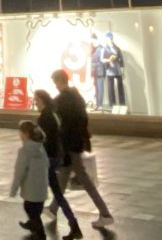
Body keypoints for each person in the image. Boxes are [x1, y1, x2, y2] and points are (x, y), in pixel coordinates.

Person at [46, 68, 115, 230]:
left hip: (70, 144)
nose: (55, 85)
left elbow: (63, 125)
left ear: (59, 81)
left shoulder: (64, 99)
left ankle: (105, 214)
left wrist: (62, 144)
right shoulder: (75, 96)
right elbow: (82, 120)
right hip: (75, 143)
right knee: (64, 177)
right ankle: (52, 209)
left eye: (55, 82)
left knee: (83, 179)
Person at [34, 89, 82, 240]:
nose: (35, 103)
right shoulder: (53, 113)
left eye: (36, 100)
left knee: (41, 191)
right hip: (56, 156)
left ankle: (35, 222)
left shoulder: (44, 117)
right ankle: (73, 225)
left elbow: (44, 140)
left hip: (48, 158)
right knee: (56, 194)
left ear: (41, 99)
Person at [9, 120, 49, 240]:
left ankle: (40, 234)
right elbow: (47, 165)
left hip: (31, 189)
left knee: (30, 209)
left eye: (20, 132)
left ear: (25, 134)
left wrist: (14, 189)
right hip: (41, 188)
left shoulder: (24, 151)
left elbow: (19, 172)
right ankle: (33, 227)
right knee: (36, 210)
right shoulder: (41, 148)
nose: (19, 135)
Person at [90, 34, 106, 111]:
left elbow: (102, 60)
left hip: (100, 70)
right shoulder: (92, 48)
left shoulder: (101, 48)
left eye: (92, 39)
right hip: (94, 70)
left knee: (100, 88)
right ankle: (97, 104)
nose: (91, 41)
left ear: (95, 39)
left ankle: (100, 104)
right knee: (96, 88)